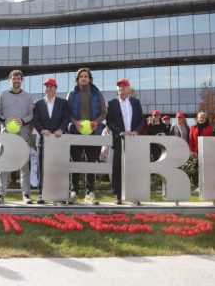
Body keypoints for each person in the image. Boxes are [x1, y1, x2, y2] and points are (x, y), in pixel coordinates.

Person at [67, 68, 107, 204]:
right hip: (75, 132)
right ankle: (74, 191)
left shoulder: (97, 94)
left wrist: (96, 122)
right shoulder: (72, 94)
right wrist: (75, 122)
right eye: (81, 77)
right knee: (76, 162)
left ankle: (90, 192)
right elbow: (67, 113)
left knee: (91, 163)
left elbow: (103, 112)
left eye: (86, 76)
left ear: (90, 79)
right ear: (77, 79)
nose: (83, 78)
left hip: (94, 133)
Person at [0, 70, 34, 205]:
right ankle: (1, 194)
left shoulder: (28, 97)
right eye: (13, 78)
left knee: (24, 166)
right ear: (9, 80)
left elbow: (31, 115)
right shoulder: (3, 95)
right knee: (4, 164)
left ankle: (26, 194)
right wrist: (5, 120)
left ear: (21, 80)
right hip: (6, 135)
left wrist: (22, 121)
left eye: (18, 78)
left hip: (23, 136)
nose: (16, 80)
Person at [105, 78, 144, 205]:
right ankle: (117, 195)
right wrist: (120, 132)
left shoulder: (135, 102)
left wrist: (136, 131)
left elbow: (141, 120)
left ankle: (134, 195)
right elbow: (109, 121)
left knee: (133, 167)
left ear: (129, 89)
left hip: (133, 140)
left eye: (124, 86)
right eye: (119, 87)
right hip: (118, 139)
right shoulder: (111, 103)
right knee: (117, 168)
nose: (121, 89)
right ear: (117, 89)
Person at [33, 78, 70, 204]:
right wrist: (42, 130)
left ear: (56, 88)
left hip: (58, 141)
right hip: (43, 141)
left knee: (58, 168)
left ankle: (59, 195)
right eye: (47, 86)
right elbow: (36, 120)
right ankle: (41, 194)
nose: (49, 88)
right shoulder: (38, 103)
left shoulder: (62, 103)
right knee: (42, 168)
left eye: (51, 86)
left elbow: (66, 118)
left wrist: (61, 129)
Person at [188, 112, 213, 189]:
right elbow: (190, 140)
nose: (201, 119)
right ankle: (196, 185)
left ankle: (205, 184)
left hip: (205, 151)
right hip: (195, 152)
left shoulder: (210, 128)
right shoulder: (193, 128)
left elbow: (210, 141)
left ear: (206, 119)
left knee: (204, 168)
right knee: (195, 169)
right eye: (200, 117)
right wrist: (191, 151)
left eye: (203, 117)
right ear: (197, 119)